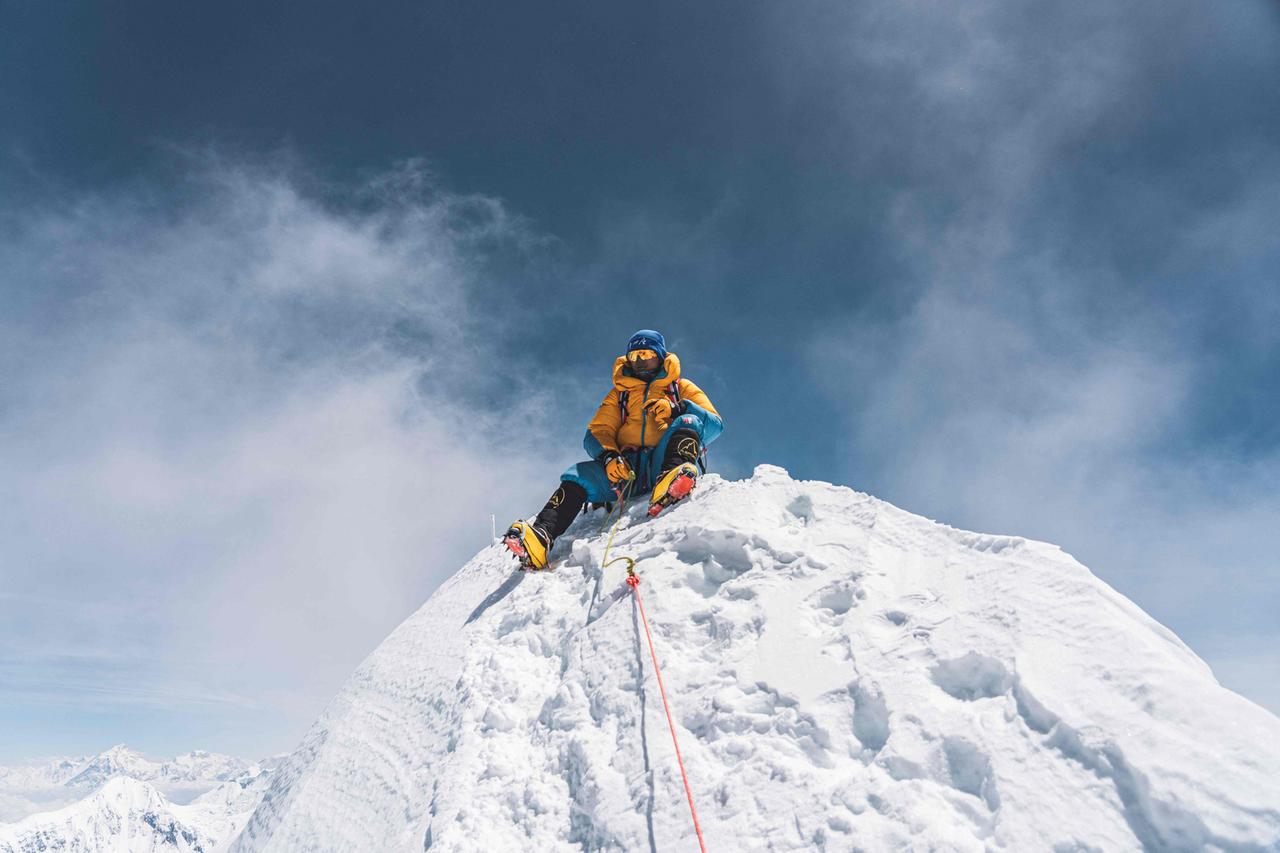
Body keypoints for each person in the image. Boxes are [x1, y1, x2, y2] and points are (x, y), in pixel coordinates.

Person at [504, 329, 724, 570]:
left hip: (664, 461)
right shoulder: (620, 395)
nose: (640, 362)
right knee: (577, 475)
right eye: (635, 356)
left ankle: (673, 478)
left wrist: (677, 409)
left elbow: (713, 425)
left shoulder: (680, 387)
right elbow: (597, 432)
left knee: (689, 422)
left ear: (660, 356)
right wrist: (609, 456)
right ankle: (541, 536)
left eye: (647, 354)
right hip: (625, 472)